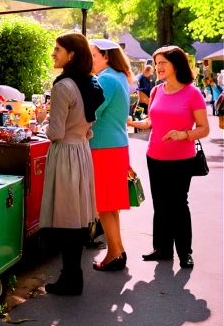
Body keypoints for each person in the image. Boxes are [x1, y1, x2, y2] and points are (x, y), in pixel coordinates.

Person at [127, 45, 210, 268]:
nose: (158, 67)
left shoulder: (192, 93)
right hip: (154, 156)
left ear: (176, 64)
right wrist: (131, 122)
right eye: (157, 63)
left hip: (182, 158)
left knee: (178, 204)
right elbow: (150, 123)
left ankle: (185, 252)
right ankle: (162, 248)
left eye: (163, 62)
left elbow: (204, 128)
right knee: (160, 204)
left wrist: (183, 134)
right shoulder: (156, 91)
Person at [40, 32, 105, 295]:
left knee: (66, 215)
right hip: (81, 151)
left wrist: (44, 124)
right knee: (77, 215)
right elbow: (89, 127)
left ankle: (71, 277)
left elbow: (55, 132)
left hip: (65, 152)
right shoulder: (92, 82)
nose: (53, 53)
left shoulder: (63, 86)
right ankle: (73, 276)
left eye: (57, 49)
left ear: (71, 54)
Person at [89, 39, 134, 271]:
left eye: (94, 55)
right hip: (116, 145)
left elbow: (93, 111)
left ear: (106, 56)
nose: (91, 60)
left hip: (103, 147)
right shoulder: (120, 77)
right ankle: (118, 251)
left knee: (105, 205)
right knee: (111, 205)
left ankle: (113, 255)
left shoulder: (106, 79)